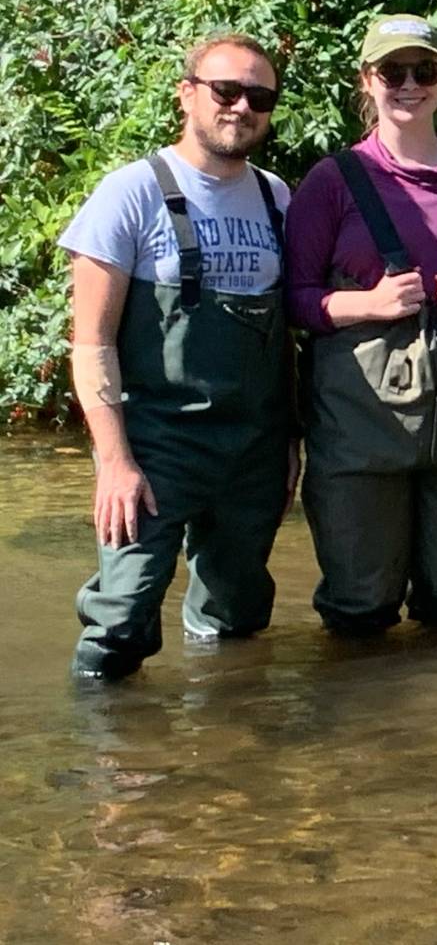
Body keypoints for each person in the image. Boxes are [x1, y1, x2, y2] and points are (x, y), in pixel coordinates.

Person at [61, 34, 293, 679]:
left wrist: (288, 440)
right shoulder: (129, 193)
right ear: (187, 95)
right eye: (226, 90)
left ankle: (220, 730)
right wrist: (115, 462)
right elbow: (91, 343)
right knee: (120, 621)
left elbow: (287, 339)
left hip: (253, 449)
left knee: (237, 620)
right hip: (157, 446)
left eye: (259, 97)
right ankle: (100, 737)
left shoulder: (278, 198)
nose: (241, 106)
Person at [285, 15, 437, 635]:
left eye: (425, 71)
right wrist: (369, 304)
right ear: (367, 80)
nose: (409, 85)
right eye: (393, 72)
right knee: (360, 604)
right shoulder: (331, 183)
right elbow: (294, 300)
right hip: (359, 424)